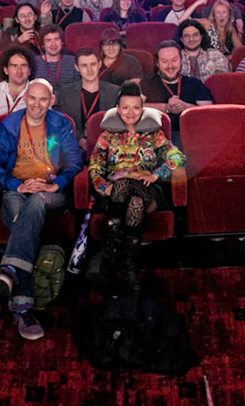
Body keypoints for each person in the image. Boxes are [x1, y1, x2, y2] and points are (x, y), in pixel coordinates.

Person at [0, 78, 82, 337]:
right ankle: (23, 307)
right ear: (25, 98)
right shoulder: (9, 125)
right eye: (33, 98)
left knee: (35, 203)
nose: (37, 104)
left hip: (50, 194)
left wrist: (56, 184)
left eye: (43, 99)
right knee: (20, 215)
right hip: (17, 188)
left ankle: (11, 272)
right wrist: (15, 184)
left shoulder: (61, 124)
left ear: (51, 101)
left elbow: (74, 162)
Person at [78, 85, 186, 291]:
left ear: (142, 109)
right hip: (114, 193)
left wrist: (157, 174)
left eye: (136, 108)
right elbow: (95, 164)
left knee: (133, 192)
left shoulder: (154, 135)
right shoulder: (108, 135)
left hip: (147, 190)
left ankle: (108, 255)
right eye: (125, 108)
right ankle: (129, 267)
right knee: (130, 199)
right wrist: (103, 187)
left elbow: (177, 156)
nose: (130, 113)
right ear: (117, 109)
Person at [140, 41, 213, 117]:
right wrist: (166, 108)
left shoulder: (195, 84)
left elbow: (209, 113)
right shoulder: (147, 83)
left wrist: (186, 107)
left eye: (174, 60)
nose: (170, 66)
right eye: (164, 61)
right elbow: (133, 107)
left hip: (191, 127)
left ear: (181, 60)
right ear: (157, 63)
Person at [57, 47, 120, 126]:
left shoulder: (114, 92)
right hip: (74, 137)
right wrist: (79, 138)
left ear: (99, 64)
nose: (89, 69)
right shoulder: (65, 94)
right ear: (77, 68)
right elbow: (63, 124)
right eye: (84, 65)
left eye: (93, 64)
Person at [0, 48, 36, 131]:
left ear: (29, 71)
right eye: (14, 66)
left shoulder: (39, 92)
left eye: (23, 66)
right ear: (6, 70)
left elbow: (45, 123)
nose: (19, 71)